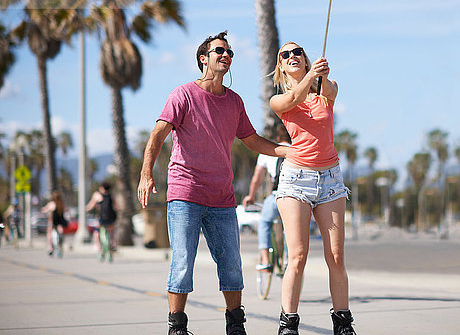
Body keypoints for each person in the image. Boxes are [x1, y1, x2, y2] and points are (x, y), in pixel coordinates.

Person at [137, 31, 288, 335]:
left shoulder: (234, 102)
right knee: (182, 264)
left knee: (231, 265)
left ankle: (235, 325)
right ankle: (177, 327)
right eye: (220, 51)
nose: (226, 56)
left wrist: (289, 151)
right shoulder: (182, 95)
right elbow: (157, 135)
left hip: (222, 197)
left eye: (230, 53)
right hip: (185, 193)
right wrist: (146, 174)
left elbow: (253, 141)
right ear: (203, 59)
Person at [270, 42, 357, 335]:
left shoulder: (324, 94)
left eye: (298, 53)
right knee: (298, 256)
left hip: (331, 180)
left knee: (336, 256)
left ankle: (343, 324)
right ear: (280, 66)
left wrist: (323, 77)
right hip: (296, 181)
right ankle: (288, 325)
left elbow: (331, 89)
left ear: (306, 61)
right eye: (285, 55)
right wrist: (310, 78)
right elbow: (294, 97)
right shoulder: (279, 100)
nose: (292, 56)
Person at [242, 124, 291, 270]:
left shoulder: (268, 151)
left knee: (264, 222)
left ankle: (265, 260)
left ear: (277, 137)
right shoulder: (297, 150)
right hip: (294, 198)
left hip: (276, 196)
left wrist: (251, 196)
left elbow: (257, 178)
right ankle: (291, 258)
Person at [86, 181, 117, 261]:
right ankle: (113, 245)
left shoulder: (97, 195)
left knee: (96, 234)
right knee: (112, 232)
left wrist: (86, 209)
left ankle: (100, 250)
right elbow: (115, 207)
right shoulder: (111, 195)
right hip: (111, 219)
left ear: (101, 188)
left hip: (101, 219)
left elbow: (91, 206)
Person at [41, 191, 68, 257]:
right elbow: (66, 210)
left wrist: (44, 209)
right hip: (60, 221)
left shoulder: (52, 204)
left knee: (49, 234)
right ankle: (60, 246)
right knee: (60, 232)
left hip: (53, 222)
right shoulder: (61, 204)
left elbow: (44, 210)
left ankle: (50, 248)